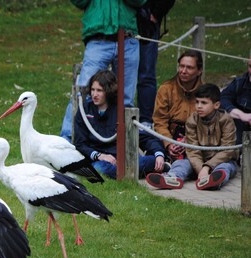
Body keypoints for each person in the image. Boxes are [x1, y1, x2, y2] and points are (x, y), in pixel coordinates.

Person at [60, 0, 147, 142]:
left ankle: (126, 145)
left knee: (126, 98)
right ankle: (66, 140)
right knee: (82, 93)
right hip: (97, 38)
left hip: (128, 39)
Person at [74, 70, 167, 179]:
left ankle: (159, 166)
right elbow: (80, 143)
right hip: (98, 160)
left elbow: (143, 137)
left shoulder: (122, 111)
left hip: (122, 159)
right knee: (99, 169)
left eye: (99, 90)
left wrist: (159, 153)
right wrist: (100, 156)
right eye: (93, 90)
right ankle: (138, 171)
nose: (94, 94)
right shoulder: (84, 110)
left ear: (108, 91)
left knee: (150, 160)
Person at [147, 83, 239, 190]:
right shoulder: (192, 120)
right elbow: (192, 150)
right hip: (198, 162)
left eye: (204, 103)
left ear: (216, 105)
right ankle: (172, 178)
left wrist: (207, 167)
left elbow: (227, 150)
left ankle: (216, 180)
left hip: (222, 160)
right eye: (197, 102)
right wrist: (201, 171)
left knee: (226, 167)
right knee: (181, 164)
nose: (199, 106)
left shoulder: (226, 121)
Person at [152, 49, 204, 162]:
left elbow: (210, 123)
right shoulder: (166, 89)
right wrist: (170, 144)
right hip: (169, 137)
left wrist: (191, 140)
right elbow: (160, 121)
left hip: (195, 140)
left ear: (199, 71)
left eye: (189, 67)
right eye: (181, 66)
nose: (183, 71)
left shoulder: (206, 93)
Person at [136, 0, 175, 128]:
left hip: (147, 20)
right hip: (124, 21)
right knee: (121, 74)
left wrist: (155, 14)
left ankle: (146, 120)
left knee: (146, 74)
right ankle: (119, 118)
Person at [220, 54, 251, 146]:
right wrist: (242, 115)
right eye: (250, 66)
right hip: (239, 141)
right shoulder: (239, 83)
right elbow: (222, 100)